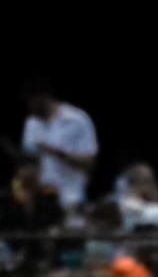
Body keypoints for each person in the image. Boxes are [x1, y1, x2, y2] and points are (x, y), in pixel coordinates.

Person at [20, 78, 98, 216]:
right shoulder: (31, 123)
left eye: (30, 101)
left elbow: (89, 162)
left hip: (71, 198)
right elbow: (29, 163)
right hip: (41, 201)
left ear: (42, 96)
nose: (28, 107)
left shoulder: (76, 119)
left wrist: (56, 152)